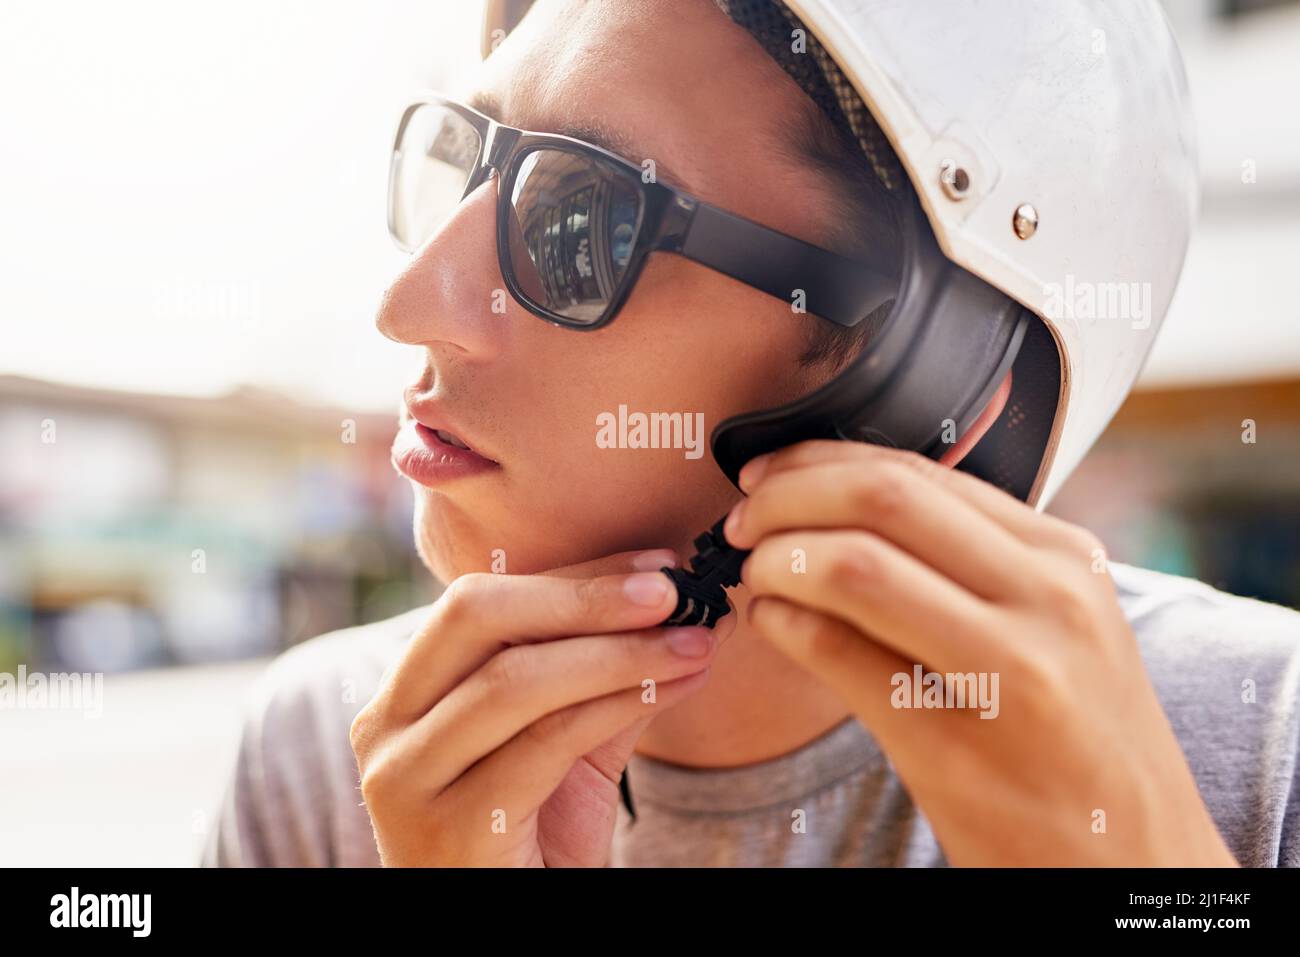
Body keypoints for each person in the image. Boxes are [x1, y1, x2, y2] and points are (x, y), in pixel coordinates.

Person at [202, 0, 1300, 867]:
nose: (410, 303)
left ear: (923, 391)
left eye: (577, 220)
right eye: (466, 158)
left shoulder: (1263, 756)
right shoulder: (327, 751)